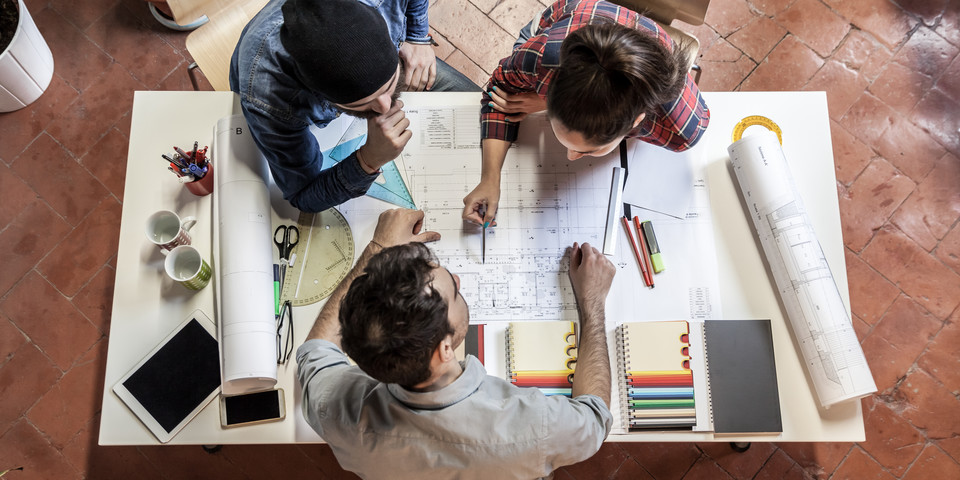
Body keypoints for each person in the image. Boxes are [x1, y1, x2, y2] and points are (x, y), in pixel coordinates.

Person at [298, 208, 616, 479]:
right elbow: (594, 418)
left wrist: (379, 252)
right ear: (445, 349)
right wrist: (592, 300)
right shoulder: (534, 426)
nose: (459, 281)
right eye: (454, 291)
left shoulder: (337, 413)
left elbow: (314, 350)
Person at [462, 0, 710, 226]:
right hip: (570, 18)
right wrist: (490, 179)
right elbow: (499, 89)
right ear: (550, 85)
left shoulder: (681, 130)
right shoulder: (542, 57)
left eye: (588, 150)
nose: (570, 157)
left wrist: (544, 103)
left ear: (636, 122)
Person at [231, 0, 480, 213]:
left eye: (390, 84)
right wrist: (369, 159)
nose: (385, 108)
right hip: (283, 99)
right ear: (324, 98)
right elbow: (303, 194)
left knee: (478, 104)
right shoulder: (267, 100)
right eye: (365, 103)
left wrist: (417, 37)